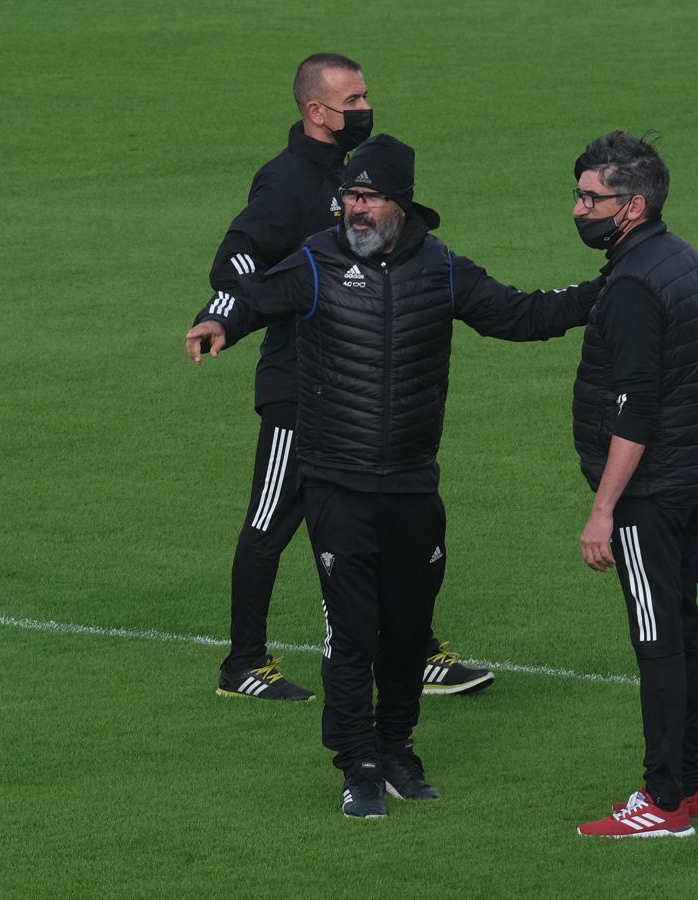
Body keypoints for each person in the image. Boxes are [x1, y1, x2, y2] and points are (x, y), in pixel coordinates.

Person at [187, 135, 602, 817]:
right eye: (349, 195)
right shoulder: (315, 262)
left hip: (411, 483)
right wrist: (215, 320)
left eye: (367, 197)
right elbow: (251, 295)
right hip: (337, 484)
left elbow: (520, 315)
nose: (354, 208)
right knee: (352, 633)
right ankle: (356, 763)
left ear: (400, 205)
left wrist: (602, 291)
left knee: (408, 631)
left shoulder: (440, 270)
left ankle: (398, 748)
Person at [203, 53, 492, 702]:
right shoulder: (285, 186)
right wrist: (247, 307)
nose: (364, 109)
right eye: (353, 100)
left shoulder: (346, 176)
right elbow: (235, 259)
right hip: (299, 391)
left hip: (355, 390)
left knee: (382, 521)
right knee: (271, 521)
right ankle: (242, 664)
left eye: (365, 97)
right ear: (316, 110)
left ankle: (413, 650)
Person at [566, 131, 698, 839]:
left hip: (645, 493)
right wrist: (695, 462)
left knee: (657, 640)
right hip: (683, 480)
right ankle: (690, 786)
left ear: (631, 206)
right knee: (682, 634)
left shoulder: (630, 284)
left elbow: (633, 408)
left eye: (589, 197)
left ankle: (662, 801)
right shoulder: (681, 260)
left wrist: (604, 509)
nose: (577, 210)